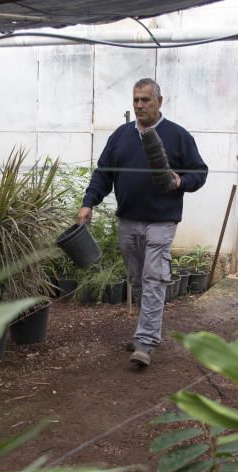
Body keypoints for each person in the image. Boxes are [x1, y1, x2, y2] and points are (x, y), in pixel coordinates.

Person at [77, 77, 208, 368]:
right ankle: (143, 333)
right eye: (136, 100)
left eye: (145, 100)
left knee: (153, 277)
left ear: (159, 102)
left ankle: (146, 341)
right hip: (128, 220)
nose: (139, 105)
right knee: (137, 279)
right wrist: (88, 203)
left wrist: (180, 180)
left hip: (162, 221)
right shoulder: (121, 136)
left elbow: (200, 173)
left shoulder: (178, 136)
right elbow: (103, 174)